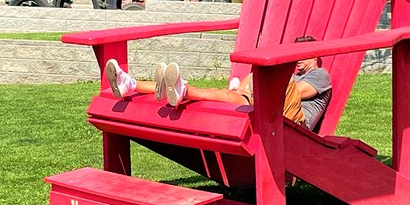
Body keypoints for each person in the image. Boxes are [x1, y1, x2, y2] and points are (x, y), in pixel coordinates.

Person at [104, 36, 332, 131]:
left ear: (316, 57)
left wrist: (246, 92)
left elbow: (295, 93)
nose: (300, 60)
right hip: (271, 112)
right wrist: (243, 91)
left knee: (272, 73)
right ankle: (131, 84)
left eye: (305, 55)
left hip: (295, 126)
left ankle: (180, 88)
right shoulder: (291, 77)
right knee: (224, 92)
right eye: (297, 55)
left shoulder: (320, 76)